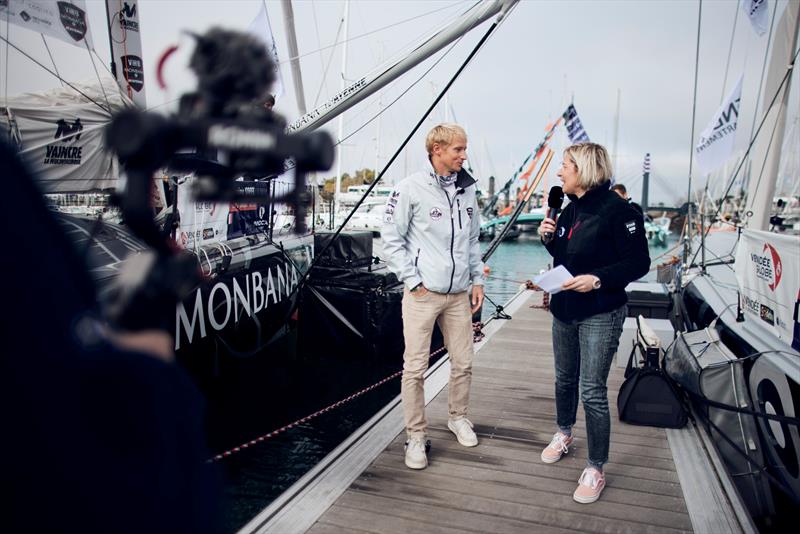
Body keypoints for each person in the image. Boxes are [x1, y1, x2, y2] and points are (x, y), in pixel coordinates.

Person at [537, 143, 649, 503]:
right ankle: (565, 432)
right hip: (564, 309)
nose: (559, 172)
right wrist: (548, 239)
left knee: (592, 391)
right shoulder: (570, 210)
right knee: (564, 380)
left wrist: (596, 279)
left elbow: (638, 263)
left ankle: (596, 467)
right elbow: (566, 257)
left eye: (565, 166)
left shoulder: (619, 212)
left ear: (583, 169)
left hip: (600, 310)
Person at [382, 123, 485, 470]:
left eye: (464, 148)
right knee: (415, 368)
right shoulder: (409, 189)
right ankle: (415, 436)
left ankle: (457, 417)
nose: (464, 155)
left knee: (464, 362)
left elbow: (472, 240)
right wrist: (412, 281)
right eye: (458, 149)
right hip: (422, 294)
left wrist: (477, 280)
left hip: (458, 295)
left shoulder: (468, 190)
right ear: (437, 149)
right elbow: (390, 241)